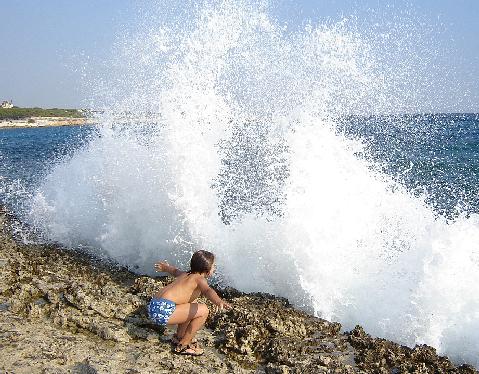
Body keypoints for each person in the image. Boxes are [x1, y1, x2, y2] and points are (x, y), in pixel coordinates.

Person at [149, 250, 231, 356]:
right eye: (214, 266)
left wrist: (165, 268)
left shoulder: (186, 274)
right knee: (204, 311)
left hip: (154, 305)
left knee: (193, 303)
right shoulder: (199, 279)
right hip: (163, 311)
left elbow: (174, 271)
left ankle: (179, 336)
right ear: (207, 269)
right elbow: (207, 291)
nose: (215, 268)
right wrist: (218, 301)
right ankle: (184, 345)